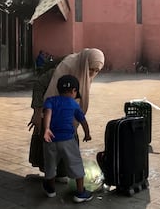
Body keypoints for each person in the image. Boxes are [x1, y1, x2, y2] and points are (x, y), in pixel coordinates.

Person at [28, 48, 105, 177]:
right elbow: (39, 85)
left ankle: (58, 176)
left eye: (96, 71)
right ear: (85, 63)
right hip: (50, 114)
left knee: (67, 151)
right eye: (90, 69)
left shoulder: (84, 72)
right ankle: (50, 180)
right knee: (49, 152)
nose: (92, 73)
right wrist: (37, 112)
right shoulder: (66, 67)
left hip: (67, 120)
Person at [42, 74, 93, 202]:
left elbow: (48, 112)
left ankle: (51, 190)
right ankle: (80, 193)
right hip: (68, 140)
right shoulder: (74, 104)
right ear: (74, 91)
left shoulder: (50, 100)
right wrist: (87, 134)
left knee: (50, 165)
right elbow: (83, 121)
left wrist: (47, 128)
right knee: (75, 163)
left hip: (50, 140)